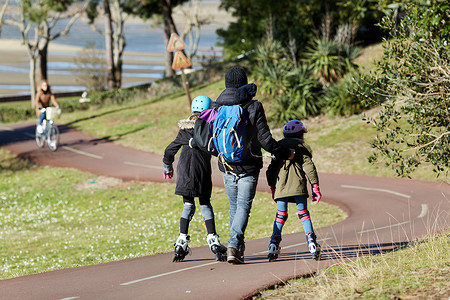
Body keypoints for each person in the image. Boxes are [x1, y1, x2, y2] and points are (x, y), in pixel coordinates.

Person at [214, 66, 294, 264]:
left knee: (235, 207)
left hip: (226, 164)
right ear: (244, 82)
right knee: (243, 207)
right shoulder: (253, 106)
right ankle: (234, 245)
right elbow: (265, 140)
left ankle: (237, 248)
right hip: (249, 165)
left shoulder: (217, 106)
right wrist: (284, 152)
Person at [163, 95, 227, 262]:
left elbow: (170, 150)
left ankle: (182, 240)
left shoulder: (184, 130)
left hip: (185, 173)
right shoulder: (208, 128)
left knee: (188, 205)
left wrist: (167, 166)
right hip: (202, 173)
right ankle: (213, 239)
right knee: (205, 203)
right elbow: (216, 148)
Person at [266, 120, 322, 261]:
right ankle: (312, 243)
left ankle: (273, 244)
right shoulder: (302, 148)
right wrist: (315, 186)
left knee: (281, 215)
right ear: (301, 135)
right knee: (303, 214)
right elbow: (309, 167)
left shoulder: (278, 148)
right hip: (298, 187)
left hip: (281, 187)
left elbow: (270, 170)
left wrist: (272, 187)